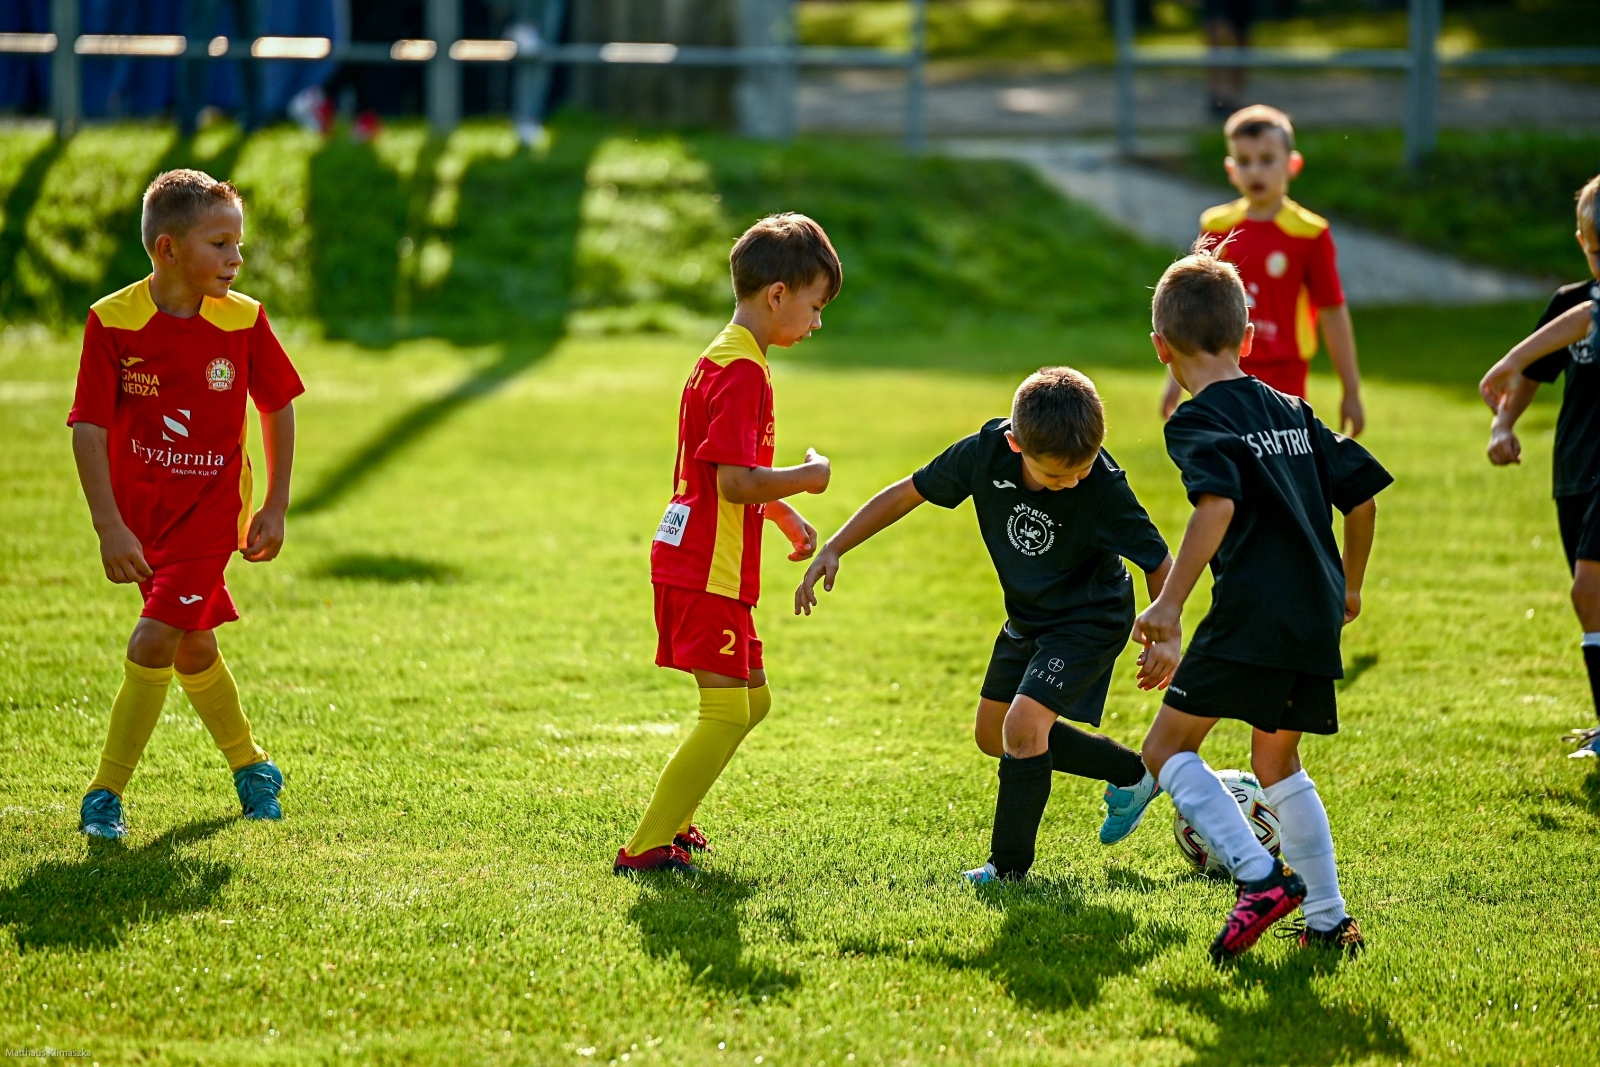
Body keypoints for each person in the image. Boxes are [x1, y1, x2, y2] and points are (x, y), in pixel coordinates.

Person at [795, 368, 1176, 884]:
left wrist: (1166, 633)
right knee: (995, 735)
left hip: (1092, 616)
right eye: (1058, 476)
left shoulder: (1102, 486)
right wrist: (836, 546)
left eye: (1082, 471)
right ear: (1016, 444)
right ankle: (1133, 774)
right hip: (1029, 617)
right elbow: (909, 491)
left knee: (1022, 728)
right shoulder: (984, 452)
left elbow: (1157, 560)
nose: (1073, 483)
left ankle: (1008, 870)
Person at [1135, 244, 1391, 962]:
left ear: (1161, 348)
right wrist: (1351, 581)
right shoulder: (1294, 409)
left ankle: (1259, 876)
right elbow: (1363, 497)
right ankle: (1330, 921)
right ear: (1249, 339)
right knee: (1279, 762)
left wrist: (1170, 605)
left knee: (1165, 749)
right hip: (1312, 607)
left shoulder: (1195, 421)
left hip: (1251, 609)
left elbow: (1215, 505)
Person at [68, 169, 303, 839]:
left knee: (154, 637)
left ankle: (104, 791)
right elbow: (88, 425)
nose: (236, 259)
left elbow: (277, 403)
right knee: (193, 646)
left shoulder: (244, 320)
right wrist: (109, 524)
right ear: (167, 249)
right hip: (143, 521)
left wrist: (277, 504)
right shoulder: (111, 321)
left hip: (209, 514)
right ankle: (253, 766)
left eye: (238, 245)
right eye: (220, 243)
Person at [614, 213, 839, 875]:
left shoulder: (719, 356)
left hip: (704, 560)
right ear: (778, 295)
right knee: (725, 709)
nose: (817, 322)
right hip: (704, 568)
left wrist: (784, 518)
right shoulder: (743, 372)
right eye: (815, 305)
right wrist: (809, 478)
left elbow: (723, 474)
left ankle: (678, 823)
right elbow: (737, 481)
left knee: (753, 700)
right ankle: (647, 845)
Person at [1480, 175, 1600, 757]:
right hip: (1574, 471)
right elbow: (1533, 378)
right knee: (1591, 596)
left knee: (1589, 590)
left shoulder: (1584, 312)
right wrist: (1504, 423)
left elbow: (1584, 322)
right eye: (1597, 250)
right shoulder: (1567, 303)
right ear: (1581, 240)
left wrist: (1507, 357)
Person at [1160, 105, 1364, 439]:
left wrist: (1351, 390)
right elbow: (1190, 312)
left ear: (1292, 164)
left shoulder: (1310, 234)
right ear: (1231, 169)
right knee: (1226, 466)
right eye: (1244, 161)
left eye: (1267, 159)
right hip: (1220, 369)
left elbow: (1333, 311)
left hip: (1284, 375)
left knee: (1283, 467)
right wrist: (1175, 380)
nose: (1255, 171)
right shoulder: (1215, 226)